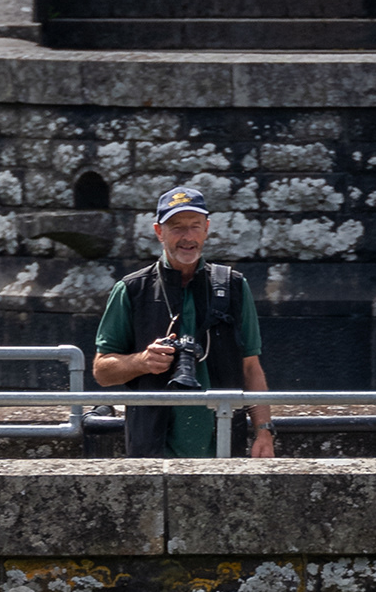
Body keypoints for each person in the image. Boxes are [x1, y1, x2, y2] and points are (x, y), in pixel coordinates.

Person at [93, 185, 276, 459]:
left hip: (224, 444)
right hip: (152, 448)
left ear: (207, 229)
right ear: (159, 232)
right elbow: (101, 371)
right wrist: (142, 362)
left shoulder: (235, 286)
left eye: (195, 226)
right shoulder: (131, 289)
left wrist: (264, 430)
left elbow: (250, 367)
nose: (187, 236)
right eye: (176, 227)